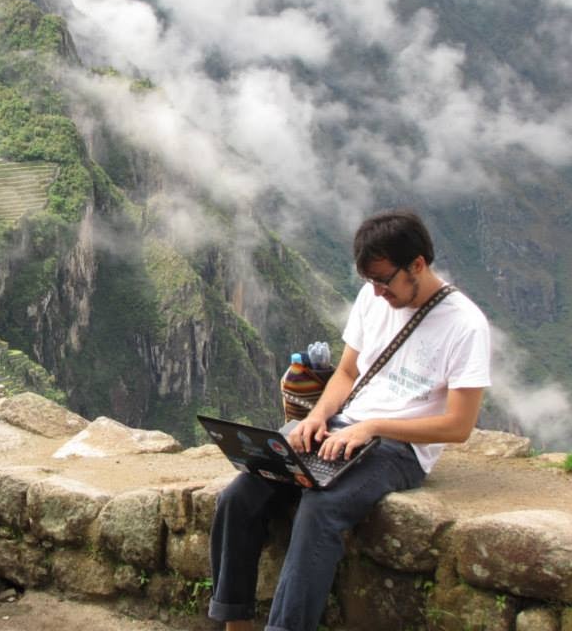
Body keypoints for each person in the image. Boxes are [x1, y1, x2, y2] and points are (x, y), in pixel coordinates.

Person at [207, 209, 491, 631]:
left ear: (417, 265)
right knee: (241, 495)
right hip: (341, 426)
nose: (376, 292)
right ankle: (234, 623)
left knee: (321, 508)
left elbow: (458, 426)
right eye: (369, 282)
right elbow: (347, 373)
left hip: (398, 448)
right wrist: (317, 417)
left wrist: (373, 427)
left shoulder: (466, 325)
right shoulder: (372, 299)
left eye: (384, 280)